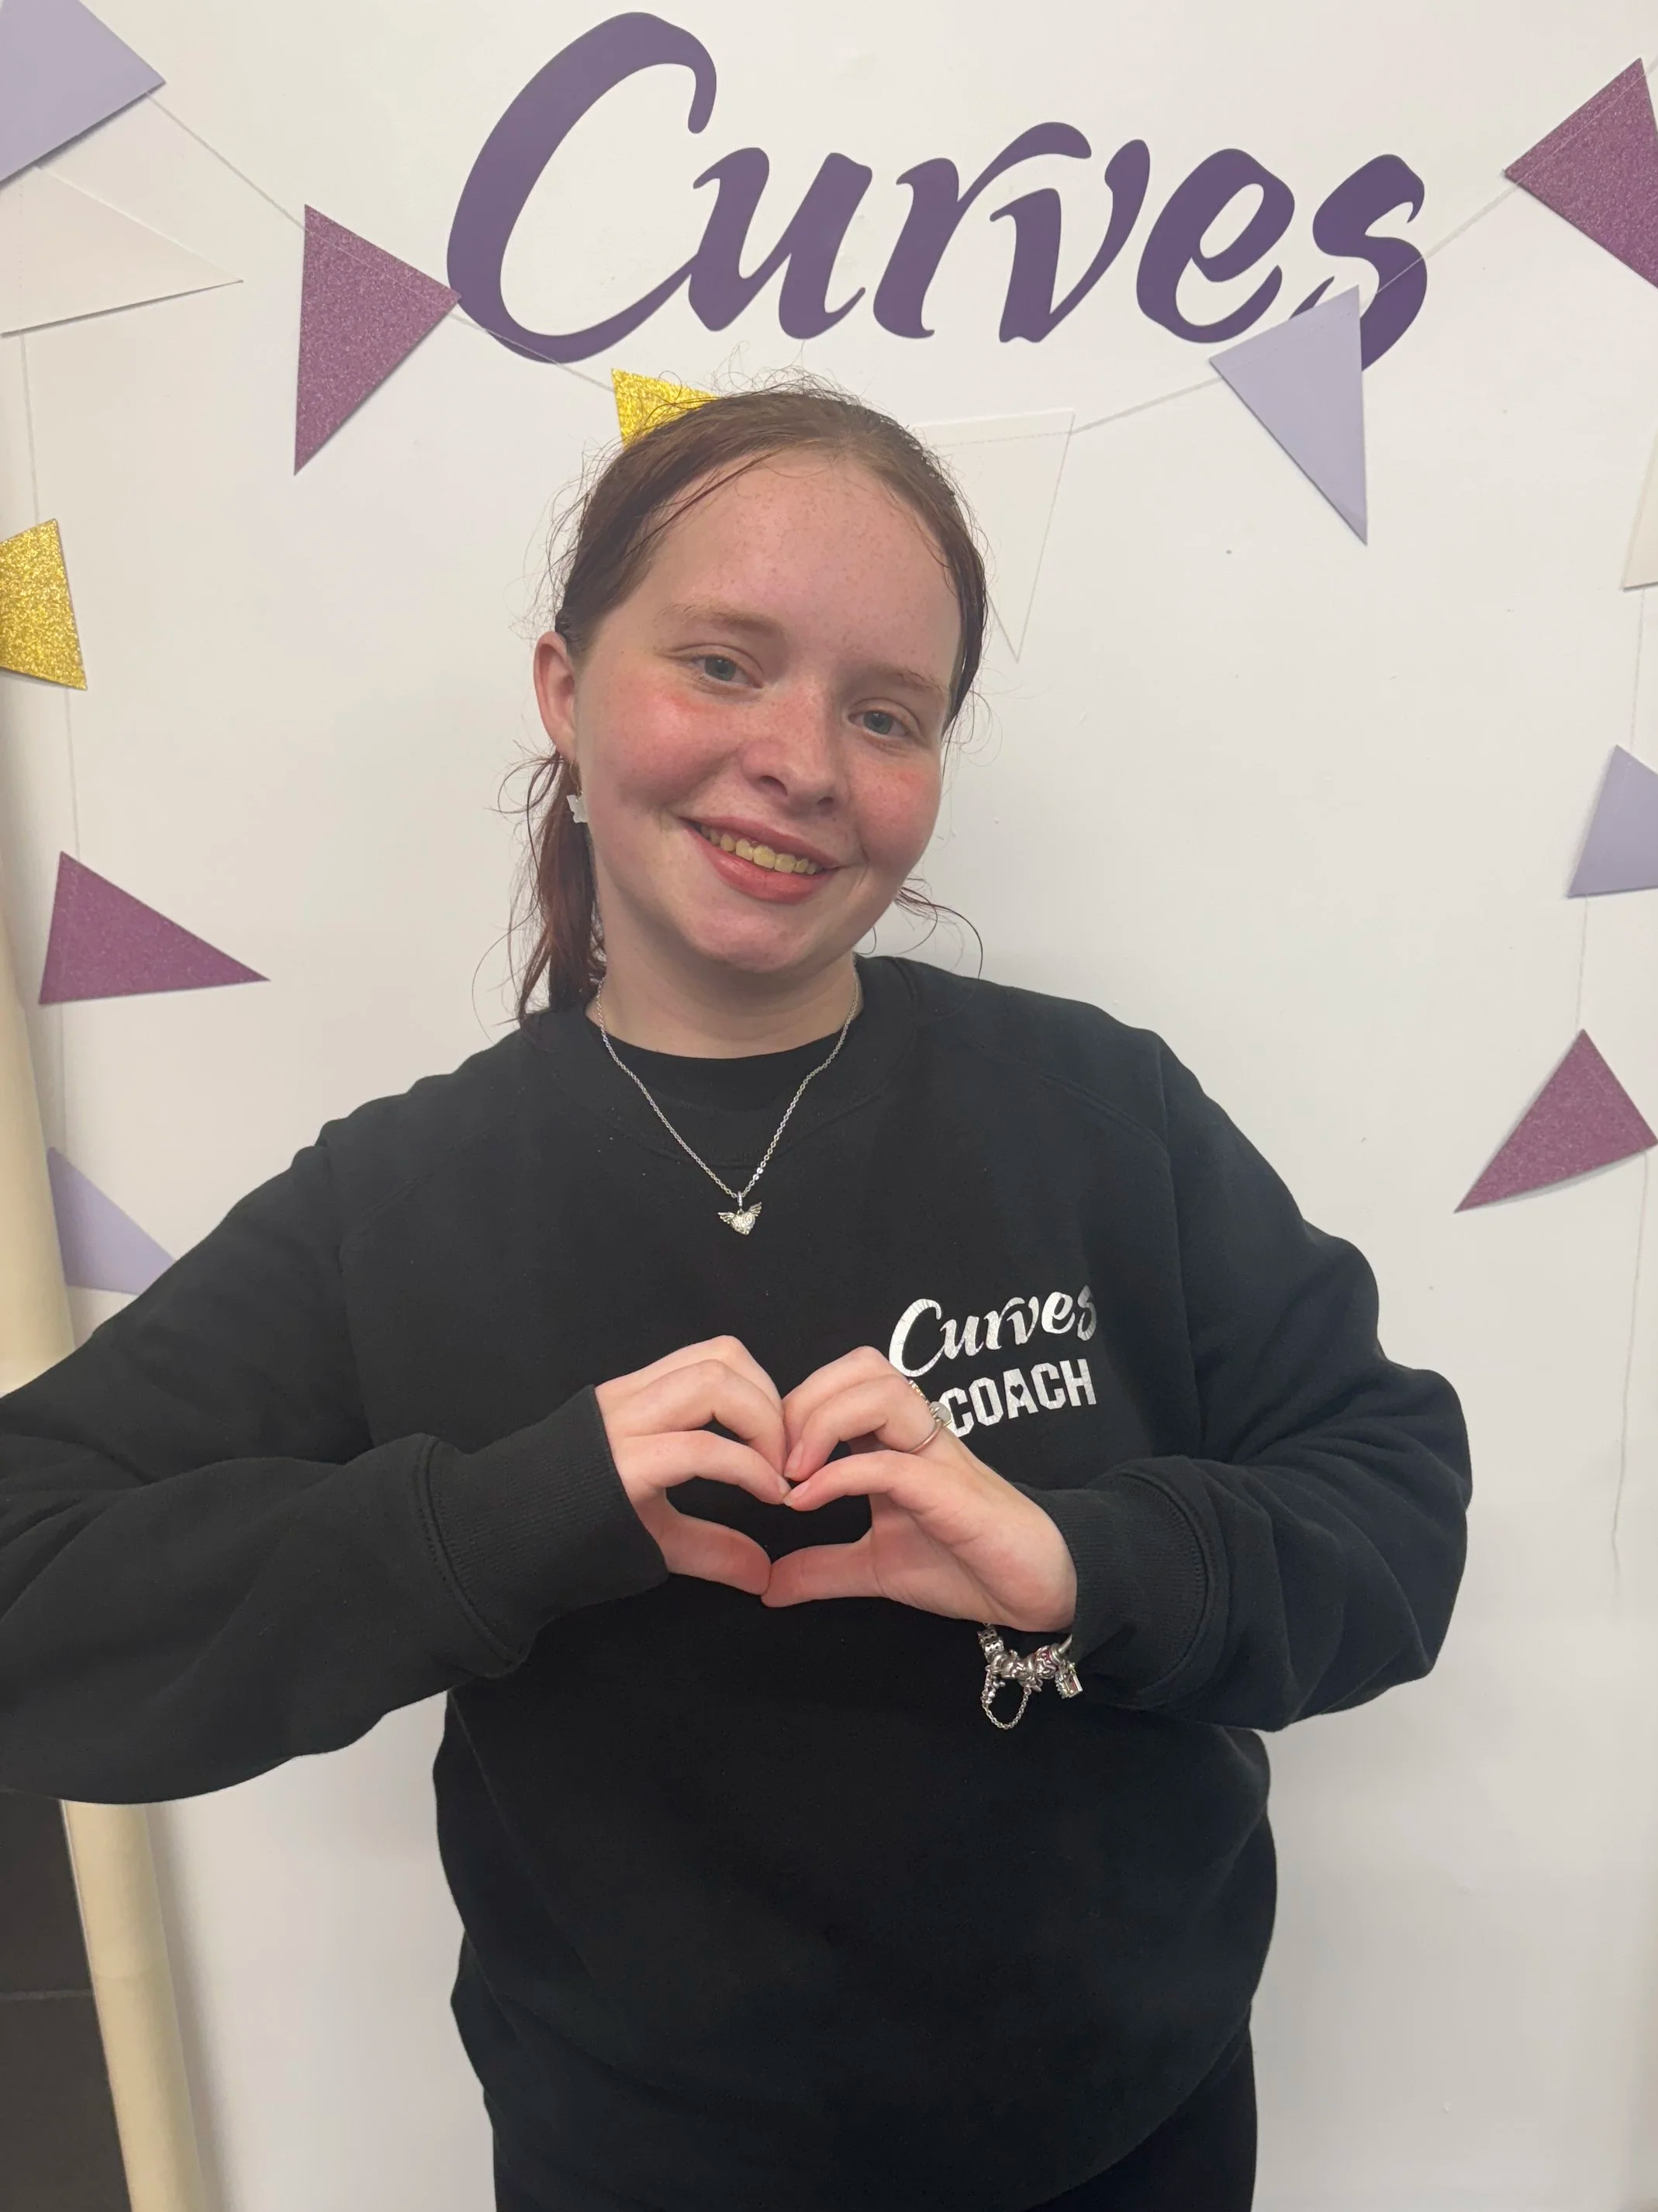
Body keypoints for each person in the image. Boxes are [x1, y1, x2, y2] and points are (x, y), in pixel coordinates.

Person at [0, 376, 1471, 2212]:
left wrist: (1090, 1560)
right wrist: (502, 1520)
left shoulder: (1102, 1111)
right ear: (562, 686)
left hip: (1132, 2143)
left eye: (885, 712)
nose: (803, 760)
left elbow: (1394, 1501)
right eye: (720, 662)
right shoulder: (401, 1199)